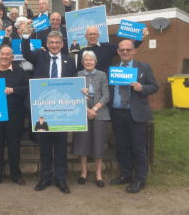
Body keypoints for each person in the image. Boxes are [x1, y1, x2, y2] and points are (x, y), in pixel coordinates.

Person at [21, 22, 77, 194]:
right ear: (47, 44)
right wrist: (25, 35)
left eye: (57, 43)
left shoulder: (69, 61)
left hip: (62, 111)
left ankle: (61, 179)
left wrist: (79, 91)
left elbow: (74, 84)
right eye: (51, 42)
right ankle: (45, 178)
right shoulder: (40, 56)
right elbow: (26, 53)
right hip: (42, 111)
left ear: (61, 44)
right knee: (44, 145)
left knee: (60, 146)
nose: (54, 45)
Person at [109, 40, 159, 193]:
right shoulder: (113, 69)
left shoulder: (144, 67)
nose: (125, 52)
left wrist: (142, 87)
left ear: (134, 51)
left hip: (136, 114)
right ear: (118, 51)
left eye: (128, 50)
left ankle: (140, 180)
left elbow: (154, 87)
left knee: (138, 148)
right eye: (122, 50)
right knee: (122, 147)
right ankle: (126, 175)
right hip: (117, 114)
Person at [0, 45, 29, 187]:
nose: (4, 57)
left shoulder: (20, 71)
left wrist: (13, 90)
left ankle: (16, 176)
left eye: (7, 55)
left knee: (14, 146)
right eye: (2, 54)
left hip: (15, 115)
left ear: (12, 57)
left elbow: (26, 89)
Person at [71, 50, 110, 188]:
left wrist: (94, 110)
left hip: (100, 112)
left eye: (91, 60)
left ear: (95, 62)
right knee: (83, 143)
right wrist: (86, 110)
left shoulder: (102, 75)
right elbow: (74, 95)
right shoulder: (78, 75)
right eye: (86, 60)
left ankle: (98, 174)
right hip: (82, 112)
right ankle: (83, 172)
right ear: (82, 62)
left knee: (98, 144)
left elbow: (106, 95)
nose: (88, 62)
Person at [76, 26, 149, 74]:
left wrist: (140, 38)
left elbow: (125, 50)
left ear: (98, 36)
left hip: (105, 85)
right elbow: (79, 71)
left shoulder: (107, 47)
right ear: (86, 36)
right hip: (87, 85)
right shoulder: (81, 52)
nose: (92, 36)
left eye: (95, 34)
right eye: (90, 34)